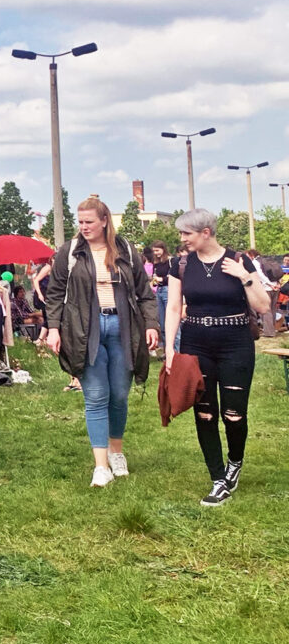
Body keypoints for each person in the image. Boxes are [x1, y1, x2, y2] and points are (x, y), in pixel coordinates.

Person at [44, 197, 159, 488]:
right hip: (85, 330)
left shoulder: (125, 250)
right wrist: (54, 328)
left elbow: (145, 294)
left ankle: (116, 451)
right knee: (95, 396)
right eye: (80, 222)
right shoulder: (69, 252)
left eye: (89, 222)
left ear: (104, 220)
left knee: (119, 395)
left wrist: (151, 325)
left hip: (123, 328)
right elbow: (55, 293)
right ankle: (100, 466)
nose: (83, 227)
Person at [165, 209, 270, 506]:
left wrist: (244, 277)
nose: (182, 239)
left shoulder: (239, 261)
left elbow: (263, 307)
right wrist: (170, 348)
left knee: (233, 415)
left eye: (187, 233)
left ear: (206, 232)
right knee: (205, 413)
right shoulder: (180, 265)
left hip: (235, 342)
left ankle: (234, 463)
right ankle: (217, 478)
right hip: (196, 343)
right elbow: (173, 307)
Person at [150, 241, 173, 350]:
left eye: (158, 250)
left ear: (163, 249)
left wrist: (162, 279)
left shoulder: (171, 261)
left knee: (171, 323)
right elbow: (154, 277)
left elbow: (173, 277)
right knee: (162, 323)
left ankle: (175, 350)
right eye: (154, 251)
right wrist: (154, 282)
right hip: (158, 290)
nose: (156, 253)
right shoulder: (156, 263)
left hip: (168, 290)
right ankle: (166, 349)